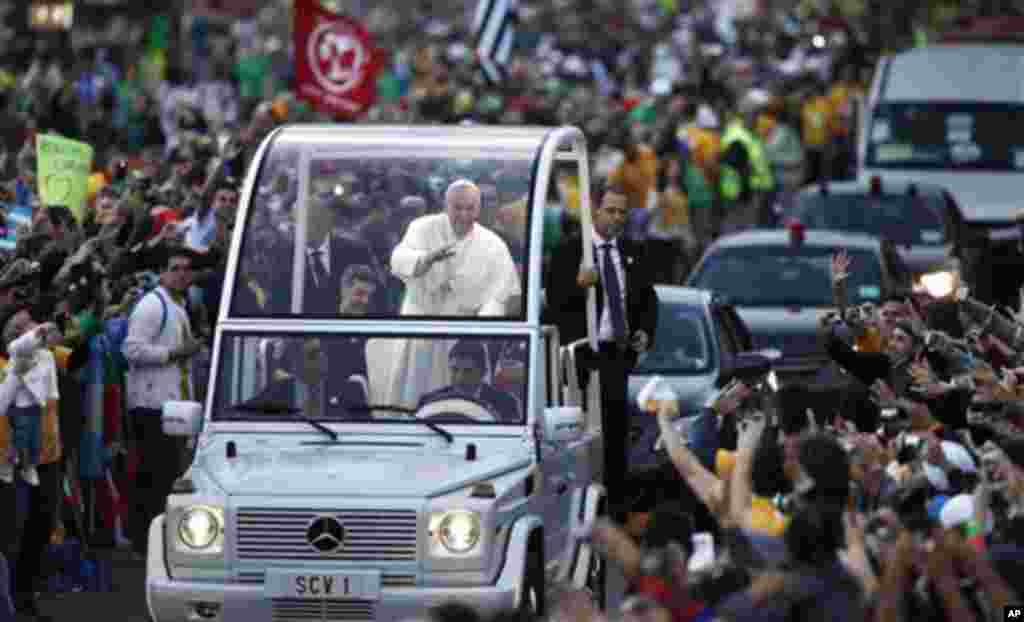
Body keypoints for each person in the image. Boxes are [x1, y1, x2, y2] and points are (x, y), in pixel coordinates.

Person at [544, 183, 658, 519]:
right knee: (578, 431)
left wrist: (643, 333)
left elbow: (648, 299)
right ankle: (573, 502)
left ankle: (613, 507)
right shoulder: (569, 251)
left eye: (623, 212)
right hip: (581, 354)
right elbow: (553, 301)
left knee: (614, 430)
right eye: (610, 211)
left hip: (616, 353)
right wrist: (578, 286)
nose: (617, 218)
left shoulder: (632, 250)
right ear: (595, 211)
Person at [387, 179, 521, 408]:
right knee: (414, 400)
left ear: (478, 209)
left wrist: (481, 327)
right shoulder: (422, 227)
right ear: (445, 205)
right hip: (422, 332)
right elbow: (398, 260)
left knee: (466, 407)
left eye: (470, 208)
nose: (463, 215)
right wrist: (426, 260)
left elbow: (502, 295)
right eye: (457, 208)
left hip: (464, 338)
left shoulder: (493, 244)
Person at [121, 245, 204, 557]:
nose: (181, 274)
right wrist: (174, 353)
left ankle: (155, 539)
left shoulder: (177, 305)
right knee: (154, 477)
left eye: (186, 269)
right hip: (151, 406)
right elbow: (131, 350)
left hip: (171, 405)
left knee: (166, 475)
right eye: (175, 268)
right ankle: (146, 541)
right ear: (162, 273)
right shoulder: (153, 306)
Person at [0, 305, 69, 621]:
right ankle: (12, 599)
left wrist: (54, 329)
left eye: (30, 327)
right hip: (12, 464)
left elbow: (73, 350)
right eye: (18, 328)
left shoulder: (46, 357)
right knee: (14, 533)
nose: (27, 332)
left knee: (40, 529)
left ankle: (25, 597)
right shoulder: (4, 366)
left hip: (49, 458)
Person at [300, 183, 382, 316]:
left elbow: (379, 300)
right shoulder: (284, 256)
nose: (306, 225)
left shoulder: (356, 251)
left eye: (314, 219)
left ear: (326, 220)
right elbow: (275, 305)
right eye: (300, 221)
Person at [0, 320, 61, 487]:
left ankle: (25, 466)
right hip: (17, 407)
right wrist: (38, 332)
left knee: (33, 441)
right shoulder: (16, 353)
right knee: (20, 439)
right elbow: (6, 390)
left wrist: (52, 396)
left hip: (35, 406)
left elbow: (51, 380)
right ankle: (10, 464)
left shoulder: (47, 356)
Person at [418, 340, 521, 423]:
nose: (459, 378)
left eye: (468, 371)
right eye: (455, 370)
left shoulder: (506, 404)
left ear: (483, 372)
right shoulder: (428, 401)